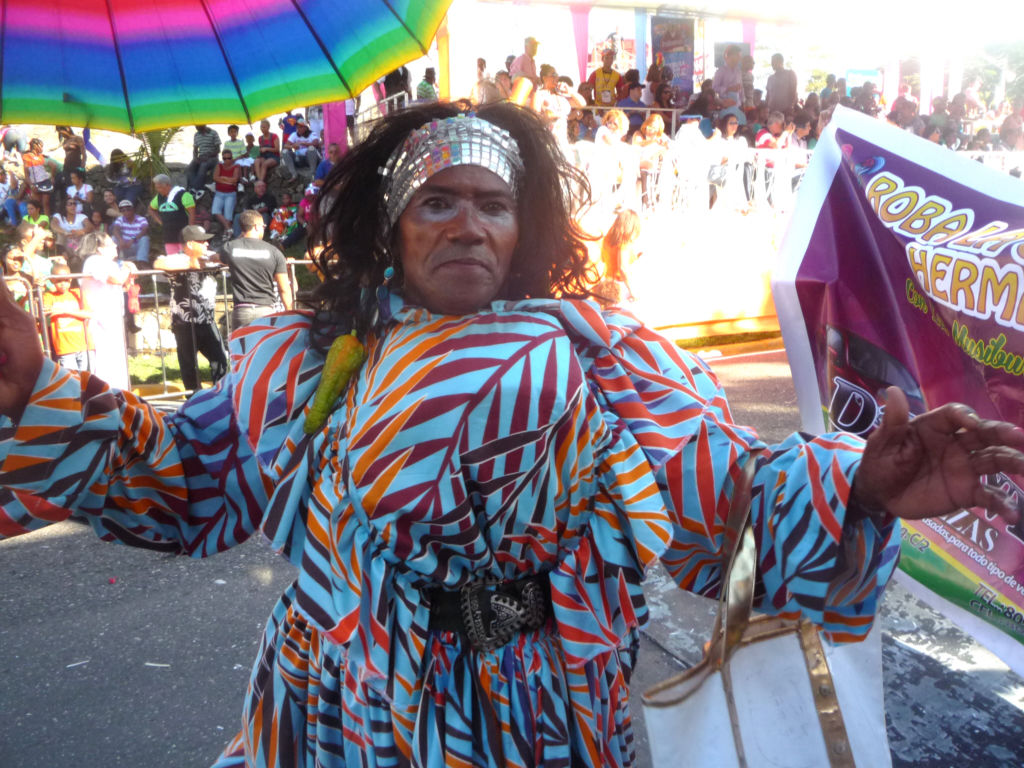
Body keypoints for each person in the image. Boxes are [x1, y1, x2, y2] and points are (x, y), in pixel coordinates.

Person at [3, 102, 1023, 768]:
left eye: (492, 204)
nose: (465, 224)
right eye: (435, 202)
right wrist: (36, 392)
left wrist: (857, 490)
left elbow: (723, 497)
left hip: (530, 712)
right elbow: (183, 487)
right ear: (388, 228)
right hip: (325, 717)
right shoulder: (304, 362)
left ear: (521, 226)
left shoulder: (604, 353)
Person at [152, 224, 228, 392]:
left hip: (207, 320)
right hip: (184, 323)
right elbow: (159, 263)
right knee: (188, 365)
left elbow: (225, 257)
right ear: (190, 244)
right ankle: (193, 399)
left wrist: (210, 259)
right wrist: (190, 263)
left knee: (220, 360)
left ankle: (220, 394)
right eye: (202, 241)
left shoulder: (209, 256)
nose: (207, 244)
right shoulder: (178, 258)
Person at [215, 210, 293, 328]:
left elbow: (216, 258)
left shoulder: (230, 248)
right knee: (266, 346)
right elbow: (284, 289)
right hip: (266, 311)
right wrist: (290, 313)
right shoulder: (274, 252)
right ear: (256, 227)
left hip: (242, 311)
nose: (264, 229)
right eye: (263, 226)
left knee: (241, 347)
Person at [77, 232, 134, 389]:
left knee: (116, 361)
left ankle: (119, 394)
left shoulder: (107, 262)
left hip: (112, 316)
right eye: (111, 244)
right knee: (106, 361)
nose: (116, 246)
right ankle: (107, 395)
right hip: (100, 318)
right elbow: (116, 279)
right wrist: (128, 269)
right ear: (100, 249)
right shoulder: (94, 261)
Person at [42, 263, 93, 372]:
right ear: (52, 281)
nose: (63, 284)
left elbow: (89, 314)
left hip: (84, 345)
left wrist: (63, 311)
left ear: (70, 280)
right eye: (59, 281)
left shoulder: (77, 293)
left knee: (88, 379)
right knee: (72, 379)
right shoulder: (49, 296)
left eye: (66, 280)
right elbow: (46, 311)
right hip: (65, 347)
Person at [530, 64, 585, 149]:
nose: (556, 77)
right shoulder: (539, 95)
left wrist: (570, 91)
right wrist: (558, 115)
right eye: (553, 75)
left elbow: (582, 104)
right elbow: (534, 119)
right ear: (544, 78)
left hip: (562, 138)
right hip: (547, 139)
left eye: (557, 75)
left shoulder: (561, 95)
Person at [148, 174, 196, 254]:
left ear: (167, 185)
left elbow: (192, 213)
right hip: (169, 235)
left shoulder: (183, 195)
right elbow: (151, 209)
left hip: (183, 234)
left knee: (186, 258)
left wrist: (190, 228)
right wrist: (161, 222)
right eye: (156, 187)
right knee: (172, 260)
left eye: (159, 187)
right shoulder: (159, 197)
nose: (158, 190)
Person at [112, 199, 151, 268]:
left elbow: (145, 230)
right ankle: (115, 262)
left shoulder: (141, 219)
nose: (126, 212)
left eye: (128, 209)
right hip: (124, 246)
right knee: (114, 238)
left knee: (145, 238)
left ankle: (142, 262)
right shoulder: (120, 219)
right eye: (123, 210)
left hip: (136, 246)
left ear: (133, 209)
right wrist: (120, 240)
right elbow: (116, 229)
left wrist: (133, 239)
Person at [21, 137, 56, 216]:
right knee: (37, 204)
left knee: (45, 203)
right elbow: (26, 174)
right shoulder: (27, 157)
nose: (42, 148)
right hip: (35, 182)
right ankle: (36, 221)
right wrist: (31, 185)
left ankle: (46, 221)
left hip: (44, 181)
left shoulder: (41, 157)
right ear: (35, 146)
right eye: (41, 146)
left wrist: (52, 177)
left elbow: (54, 166)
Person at [211, 149, 242, 236]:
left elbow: (235, 179)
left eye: (229, 158)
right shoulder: (219, 165)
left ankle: (226, 233)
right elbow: (215, 178)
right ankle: (229, 228)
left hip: (230, 193)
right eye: (225, 158)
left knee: (228, 214)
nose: (227, 160)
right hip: (219, 193)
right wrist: (229, 180)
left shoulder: (236, 166)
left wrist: (222, 178)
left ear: (232, 158)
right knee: (215, 211)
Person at [712, 44, 745, 123]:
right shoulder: (721, 71)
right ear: (730, 56)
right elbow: (714, 88)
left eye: (739, 56)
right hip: (725, 107)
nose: (739, 58)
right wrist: (728, 89)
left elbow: (741, 88)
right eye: (737, 55)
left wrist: (743, 102)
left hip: (737, 106)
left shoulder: (738, 71)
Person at [186, 125, 222, 196]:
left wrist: (208, 156)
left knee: (203, 166)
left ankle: (197, 189)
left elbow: (218, 150)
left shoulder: (213, 133)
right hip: (201, 157)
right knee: (190, 168)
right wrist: (195, 158)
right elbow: (195, 149)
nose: (196, 128)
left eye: (198, 126)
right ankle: (192, 187)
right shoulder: (196, 135)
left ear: (203, 125)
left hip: (212, 157)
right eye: (196, 126)